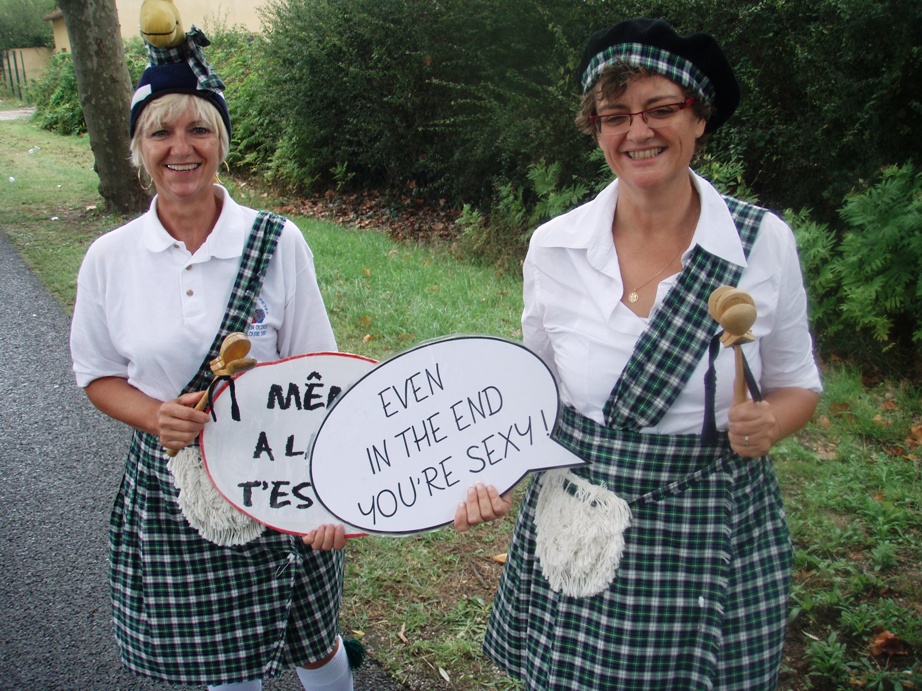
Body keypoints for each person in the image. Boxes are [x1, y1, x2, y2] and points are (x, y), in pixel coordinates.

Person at [455, 18, 822, 689]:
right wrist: (495, 480)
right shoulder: (556, 247)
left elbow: (800, 383)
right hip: (581, 518)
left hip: (710, 529)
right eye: (614, 115)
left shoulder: (761, 242)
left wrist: (773, 421)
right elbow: (536, 399)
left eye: (661, 109)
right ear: (595, 128)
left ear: (699, 117)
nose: (638, 131)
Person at [70, 31, 355, 691]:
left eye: (199, 128)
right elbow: (97, 373)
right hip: (177, 488)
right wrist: (154, 415)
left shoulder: (279, 242)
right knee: (219, 659)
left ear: (222, 141)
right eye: (159, 131)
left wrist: (332, 494)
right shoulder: (109, 259)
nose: (181, 147)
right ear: (138, 149)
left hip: (280, 472)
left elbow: (321, 370)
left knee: (312, 640)